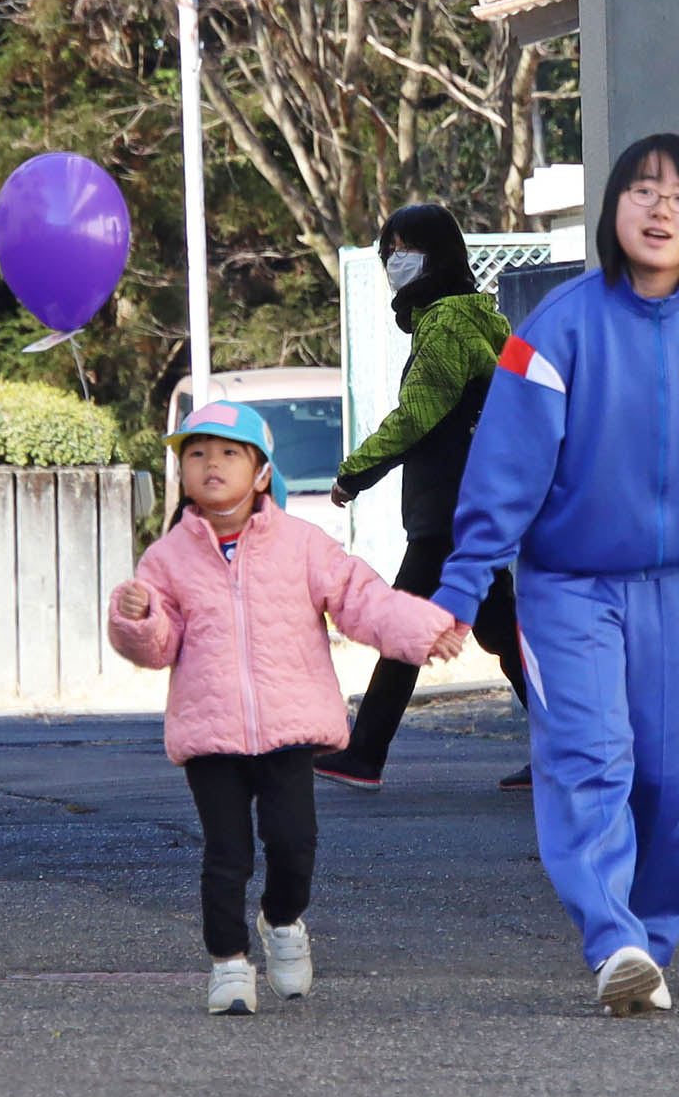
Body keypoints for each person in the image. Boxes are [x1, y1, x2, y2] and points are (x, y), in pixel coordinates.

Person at [428, 133, 679, 1016]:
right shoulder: (556, 327)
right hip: (568, 587)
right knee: (592, 758)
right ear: (613, 212)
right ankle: (613, 940)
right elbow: (505, 471)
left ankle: (647, 945)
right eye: (642, 192)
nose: (660, 209)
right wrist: (460, 589)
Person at [106, 401, 461, 1015]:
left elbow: (362, 599)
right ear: (182, 474)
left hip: (290, 726)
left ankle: (284, 921)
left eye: (228, 453)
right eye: (195, 453)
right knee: (227, 854)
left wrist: (423, 629)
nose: (210, 464)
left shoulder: (303, 545)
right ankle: (228, 965)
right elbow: (158, 647)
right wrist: (135, 618)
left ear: (262, 473)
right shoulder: (165, 559)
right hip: (210, 732)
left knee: (294, 842)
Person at [316, 204, 529, 793]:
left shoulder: (444, 325)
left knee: (405, 626)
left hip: (448, 511)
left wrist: (354, 474)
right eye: (388, 251)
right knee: (503, 631)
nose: (392, 262)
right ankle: (570, 750)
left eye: (404, 249)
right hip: (475, 504)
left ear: (439, 255)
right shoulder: (482, 319)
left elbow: (417, 416)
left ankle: (363, 755)